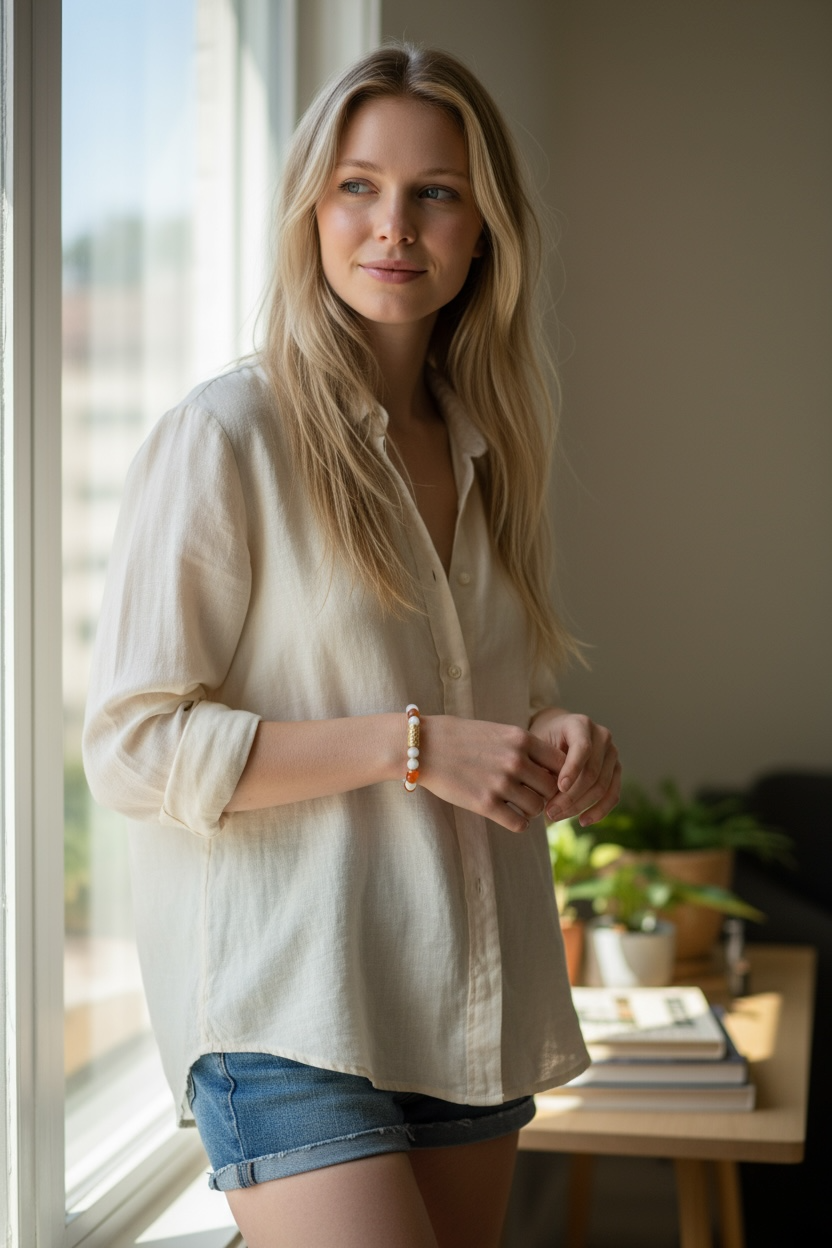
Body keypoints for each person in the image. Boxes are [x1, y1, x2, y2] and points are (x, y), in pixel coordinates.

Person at [83, 42, 620, 1248]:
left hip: (459, 992)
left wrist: (558, 743)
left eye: (435, 191)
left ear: (482, 228)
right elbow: (129, 747)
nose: (393, 225)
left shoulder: (489, 452)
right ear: (309, 211)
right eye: (356, 186)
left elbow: (481, 707)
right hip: (286, 1004)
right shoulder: (227, 436)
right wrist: (414, 747)